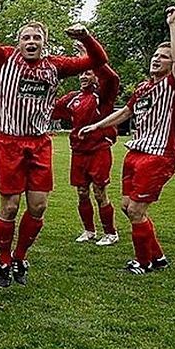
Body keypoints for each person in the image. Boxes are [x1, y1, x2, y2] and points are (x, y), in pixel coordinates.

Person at [0, 0, 109, 287]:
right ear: (18, 42)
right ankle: (4, 259)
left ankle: (20, 257)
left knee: (38, 206)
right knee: (9, 207)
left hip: (39, 142)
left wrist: (87, 37)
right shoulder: (4, 59)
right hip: (9, 141)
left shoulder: (55, 66)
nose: (31, 41)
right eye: (26, 37)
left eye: (37, 37)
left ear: (44, 43)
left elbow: (98, 61)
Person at [79, 7, 175, 274]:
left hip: (158, 154)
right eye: (155, 56)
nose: (157, 60)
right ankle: (158, 256)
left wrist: (172, 25)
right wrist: (97, 124)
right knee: (128, 207)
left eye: (163, 57)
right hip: (136, 151)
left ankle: (143, 262)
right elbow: (126, 112)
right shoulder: (142, 87)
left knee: (137, 210)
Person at [52, 41, 121, 246]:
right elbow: (49, 108)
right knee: (82, 193)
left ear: (96, 76)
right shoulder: (73, 98)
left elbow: (112, 77)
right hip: (78, 152)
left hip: (99, 149)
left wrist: (88, 53)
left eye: (88, 73)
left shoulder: (103, 95)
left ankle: (110, 233)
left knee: (100, 193)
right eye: (82, 73)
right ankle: (89, 231)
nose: (83, 76)